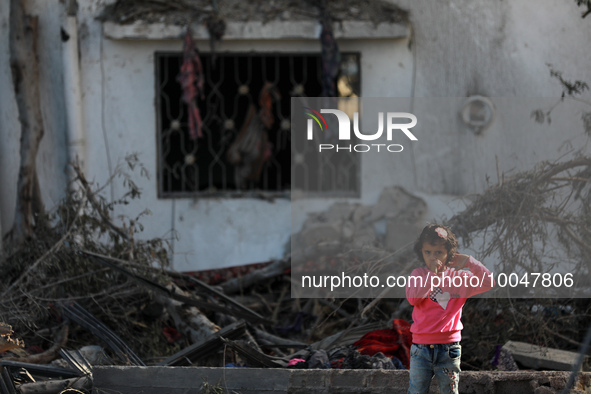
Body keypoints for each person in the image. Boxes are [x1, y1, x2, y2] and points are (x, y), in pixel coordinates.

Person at [405, 224, 494, 394]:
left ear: (449, 253)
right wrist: (432, 275)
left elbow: (489, 282)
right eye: (428, 252)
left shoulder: (459, 277)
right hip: (421, 348)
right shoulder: (419, 274)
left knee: (450, 391)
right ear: (421, 252)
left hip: (449, 348)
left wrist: (469, 262)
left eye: (438, 252)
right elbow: (413, 298)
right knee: (416, 390)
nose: (433, 257)